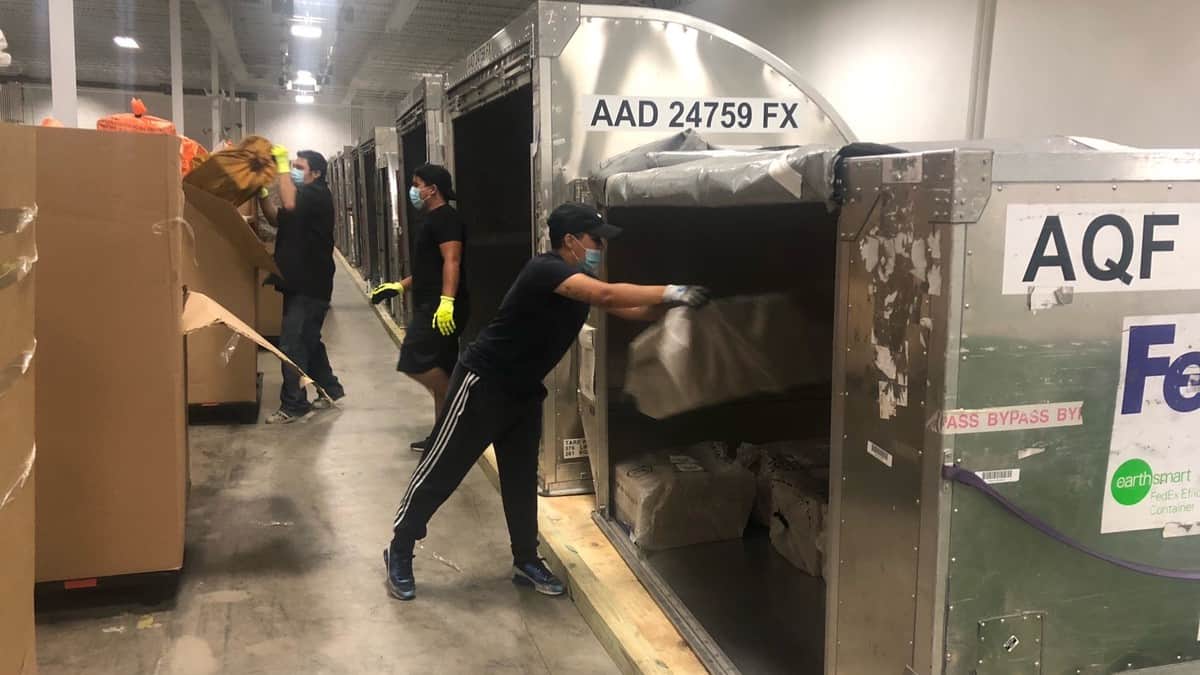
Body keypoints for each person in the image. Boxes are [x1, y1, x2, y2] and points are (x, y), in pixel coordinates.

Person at [383, 202, 710, 601]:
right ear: (570, 241)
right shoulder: (548, 269)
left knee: (520, 480)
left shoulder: (576, 277)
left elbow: (632, 308)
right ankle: (399, 549)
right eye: (595, 241)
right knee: (442, 470)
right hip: (483, 385)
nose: (600, 249)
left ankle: (526, 559)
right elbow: (607, 296)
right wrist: (672, 290)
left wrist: (676, 308)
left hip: (523, 392)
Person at [369, 164, 469, 451]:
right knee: (441, 365)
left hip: (440, 308)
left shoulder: (446, 219)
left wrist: (447, 301)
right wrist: (400, 286)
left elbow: (452, 261)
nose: (414, 190)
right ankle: (444, 438)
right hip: (435, 302)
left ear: (432, 189)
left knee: (413, 360)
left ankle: (460, 413)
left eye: (417, 184)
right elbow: (432, 268)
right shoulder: (433, 219)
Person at [259, 146, 346, 424]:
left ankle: (295, 405)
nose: (294, 172)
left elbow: (290, 203)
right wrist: (261, 195)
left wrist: (282, 165)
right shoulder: (302, 198)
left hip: (310, 282)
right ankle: (330, 388)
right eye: (292, 166)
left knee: (292, 342)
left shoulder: (316, 194)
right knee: (308, 337)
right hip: (300, 281)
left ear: (316, 173)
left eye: (299, 167)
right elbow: (276, 217)